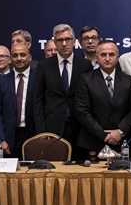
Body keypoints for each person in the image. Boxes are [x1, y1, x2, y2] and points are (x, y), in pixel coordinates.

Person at [33, 23, 93, 157]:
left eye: (67, 39)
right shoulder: (44, 66)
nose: (64, 44)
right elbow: (38, 100)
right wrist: (41, 130)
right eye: (60, 40)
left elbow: (90, 98)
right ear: (55, 42)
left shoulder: (85, 65)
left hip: (80, 128)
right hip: (52, 127)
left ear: (74, 41)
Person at [73, 40, 131, 156]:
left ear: (117, 57)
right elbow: (82, 111)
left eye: (111, 54)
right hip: (92, 143)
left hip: (122, 142)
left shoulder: (129, 81)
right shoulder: (86, 80)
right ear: (97, 57)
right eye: (103, 55)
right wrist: (103, 135)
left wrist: (120, 132)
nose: (107, 58)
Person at [0, 42, 40, 156]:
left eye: (23, 55)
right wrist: (1, 139)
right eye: (15, 55)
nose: (19, 58)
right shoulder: (2, 81)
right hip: (9, 138)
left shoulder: (39, 78)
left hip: (34, 135)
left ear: (30, 57)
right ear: (10, 59)